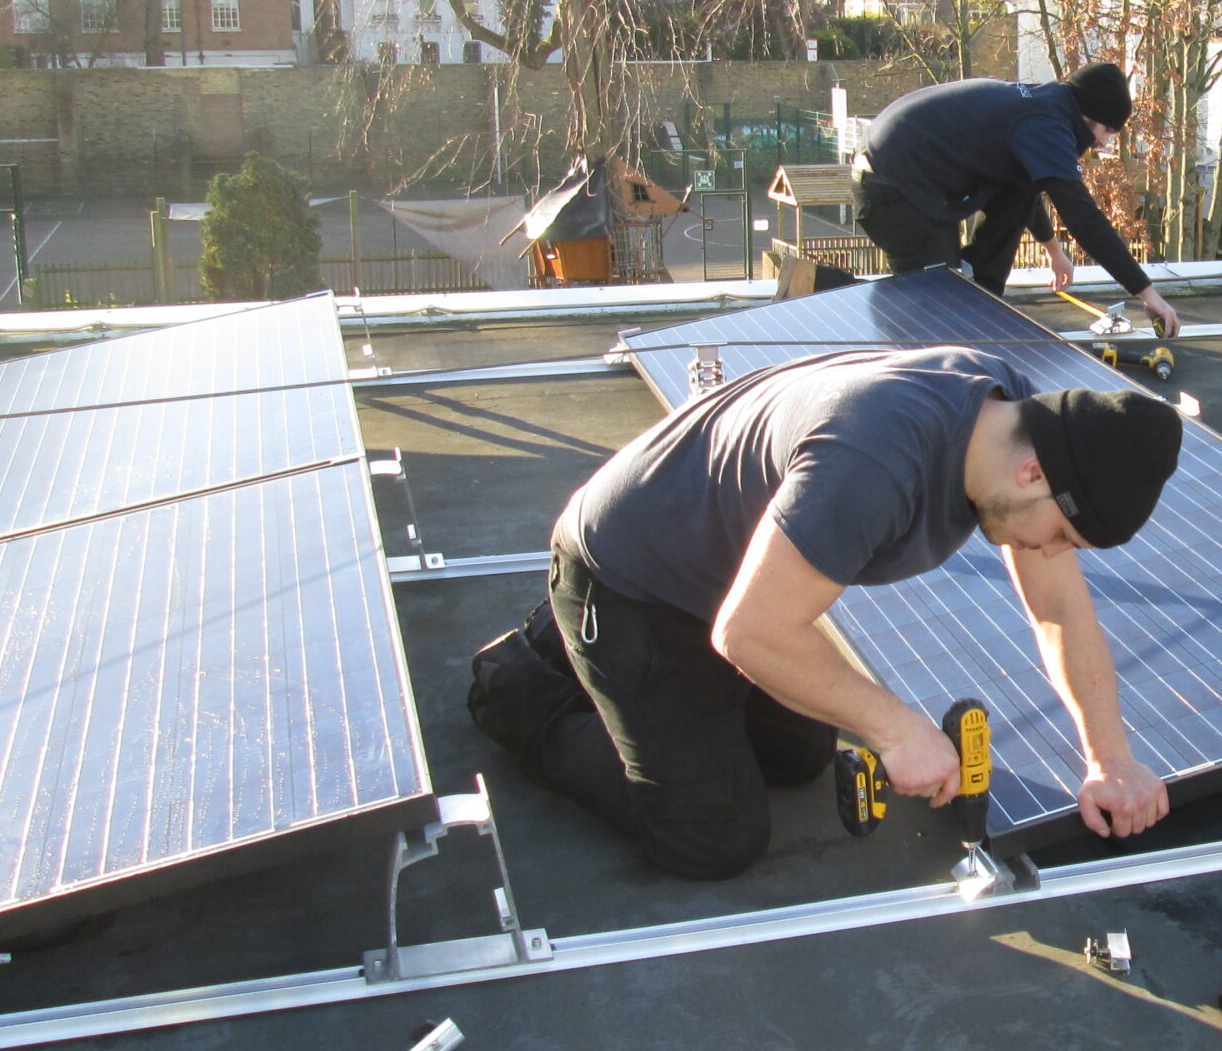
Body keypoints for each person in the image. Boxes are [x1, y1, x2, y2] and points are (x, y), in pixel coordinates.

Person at [486, 346, 1183, 878]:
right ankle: (522, 676)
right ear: (1033, 475)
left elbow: (1060, 610)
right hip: (633, 582)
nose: (1051, 551)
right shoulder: (873, 461)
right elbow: (748, 631)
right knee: (710, 836)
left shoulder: (1021, 425)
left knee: (798, 757)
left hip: (738, 577)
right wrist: (898, 727)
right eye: (1061, 534)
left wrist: (1110, 759)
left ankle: (609, 667)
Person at [854, 62, 1184, 339]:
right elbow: (1083, 218)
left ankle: (978, 289)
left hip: (909, 181)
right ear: (1092, 118)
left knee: (1020, 193)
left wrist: (1054, 251)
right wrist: (1146, 291)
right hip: (892, 192)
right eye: (1110, 131)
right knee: (936, 316)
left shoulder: (1043, 104)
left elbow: (1025, 188)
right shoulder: (1047, 125)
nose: (1105, 142)